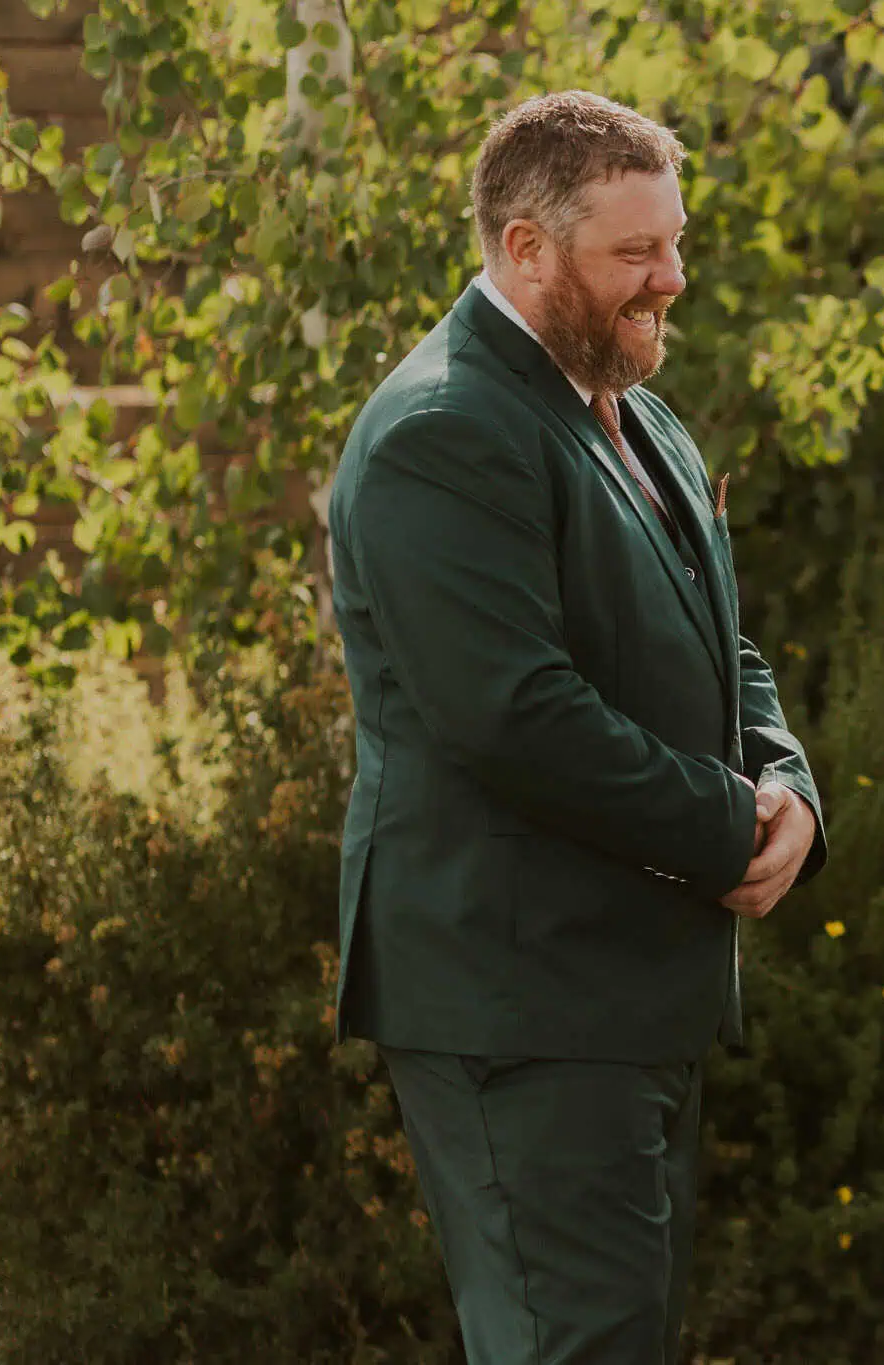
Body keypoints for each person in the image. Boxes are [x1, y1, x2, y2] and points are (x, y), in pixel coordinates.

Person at [324, 90, 827, 1364]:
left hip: (623, 991)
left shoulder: (636, 407)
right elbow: (513, 715)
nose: (672, 279)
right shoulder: (444, 430)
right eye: (634, 255)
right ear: (524, 249)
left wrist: (788, 788)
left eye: (673, 242)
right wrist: (728, 824)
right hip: (517, 996)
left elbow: (719, 641)